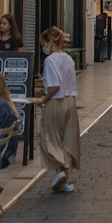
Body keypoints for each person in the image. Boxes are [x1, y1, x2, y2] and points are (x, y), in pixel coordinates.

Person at [35, 27, 80, 193]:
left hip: (55, 102)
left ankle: (60, 170)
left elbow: (55, 85)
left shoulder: (50, 60)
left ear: (49, 42)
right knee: (67, 141)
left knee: (49, 138)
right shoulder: (69, 58)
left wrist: (43, 99)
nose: (43, 47)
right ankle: (69, 180)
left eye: (43, 43)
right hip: (70, 102)